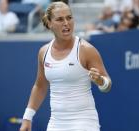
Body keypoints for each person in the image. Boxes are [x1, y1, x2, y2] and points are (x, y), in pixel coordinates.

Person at [19, 1, 112, 131]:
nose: (66, 23)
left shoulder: (86, 50)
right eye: (60, 19)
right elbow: (40, 86)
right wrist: (27, 118)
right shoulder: (43, 52)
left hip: (85, 122)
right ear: (50, 23)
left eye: (69, 18)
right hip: (56, 123)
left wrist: (100, 81)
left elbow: (107, 85)